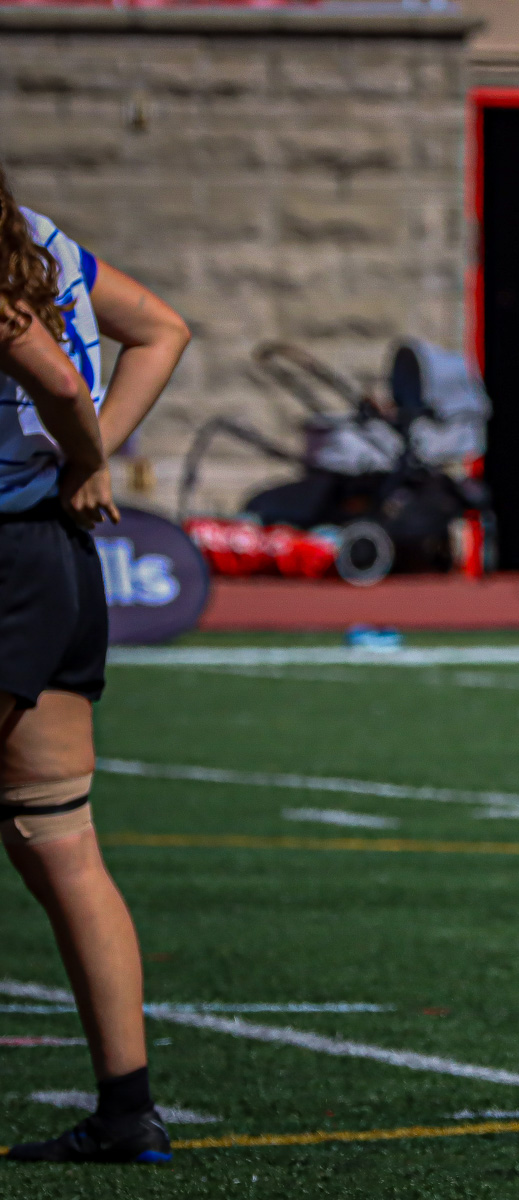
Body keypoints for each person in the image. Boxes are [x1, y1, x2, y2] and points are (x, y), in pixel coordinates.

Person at [0, 167, 191, 1163]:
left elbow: (63, 379)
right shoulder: (39, 237)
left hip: (7, 554)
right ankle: (127, 1115)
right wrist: (93, 458)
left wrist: (88, 447)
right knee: (53, 838)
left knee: (57, 842)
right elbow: (162, 329)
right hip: (53, 559)